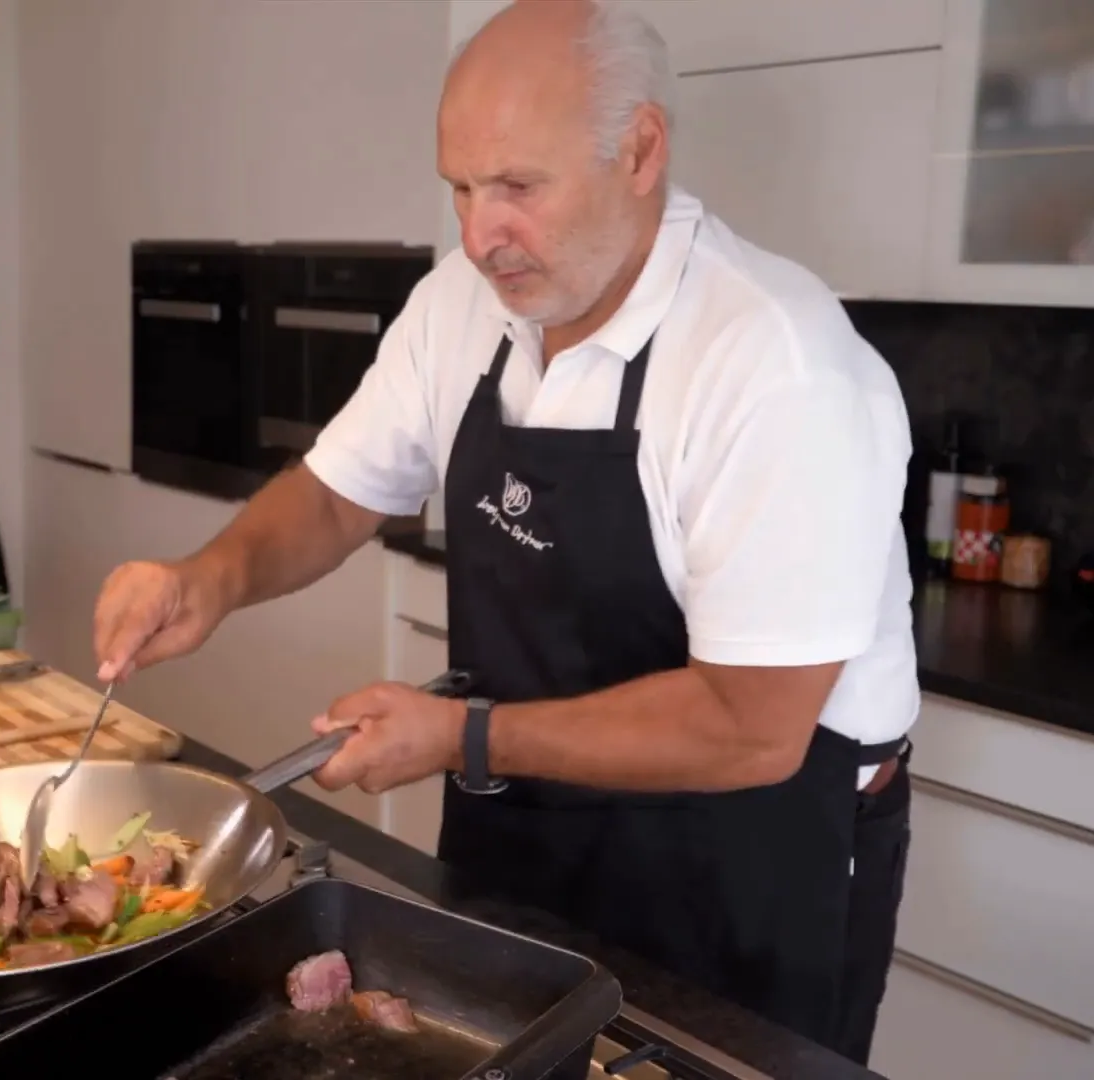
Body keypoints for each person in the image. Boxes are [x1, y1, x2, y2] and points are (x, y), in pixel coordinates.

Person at [90, 0, 917, 1064]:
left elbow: (752, 727)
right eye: (461, 189)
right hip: (527, 821)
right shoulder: (460, 306)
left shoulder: (776, 363)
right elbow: (344, 494)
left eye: (518, 187)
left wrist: (462, 739)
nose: (480, 235)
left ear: (640, 150)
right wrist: (209, 577)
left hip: (744, 859)